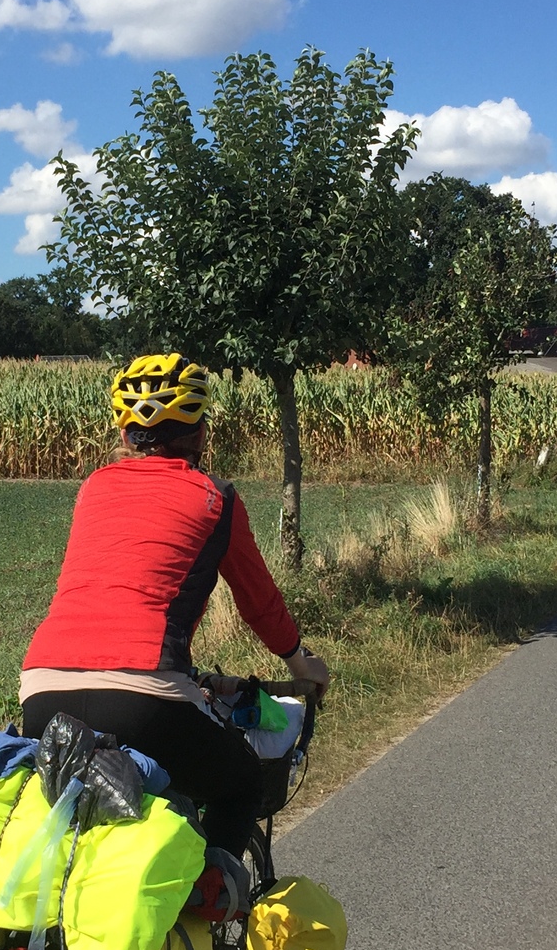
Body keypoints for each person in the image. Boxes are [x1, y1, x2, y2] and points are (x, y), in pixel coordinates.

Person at [19, 353, 331, 857]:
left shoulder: (94, 487)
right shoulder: (216, 498)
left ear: (125, 434)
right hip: (145, 694)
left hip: (42, 691)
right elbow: (258, 602)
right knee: (241, 783)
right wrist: (301, 663)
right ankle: (214, 891)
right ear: (201, 433)